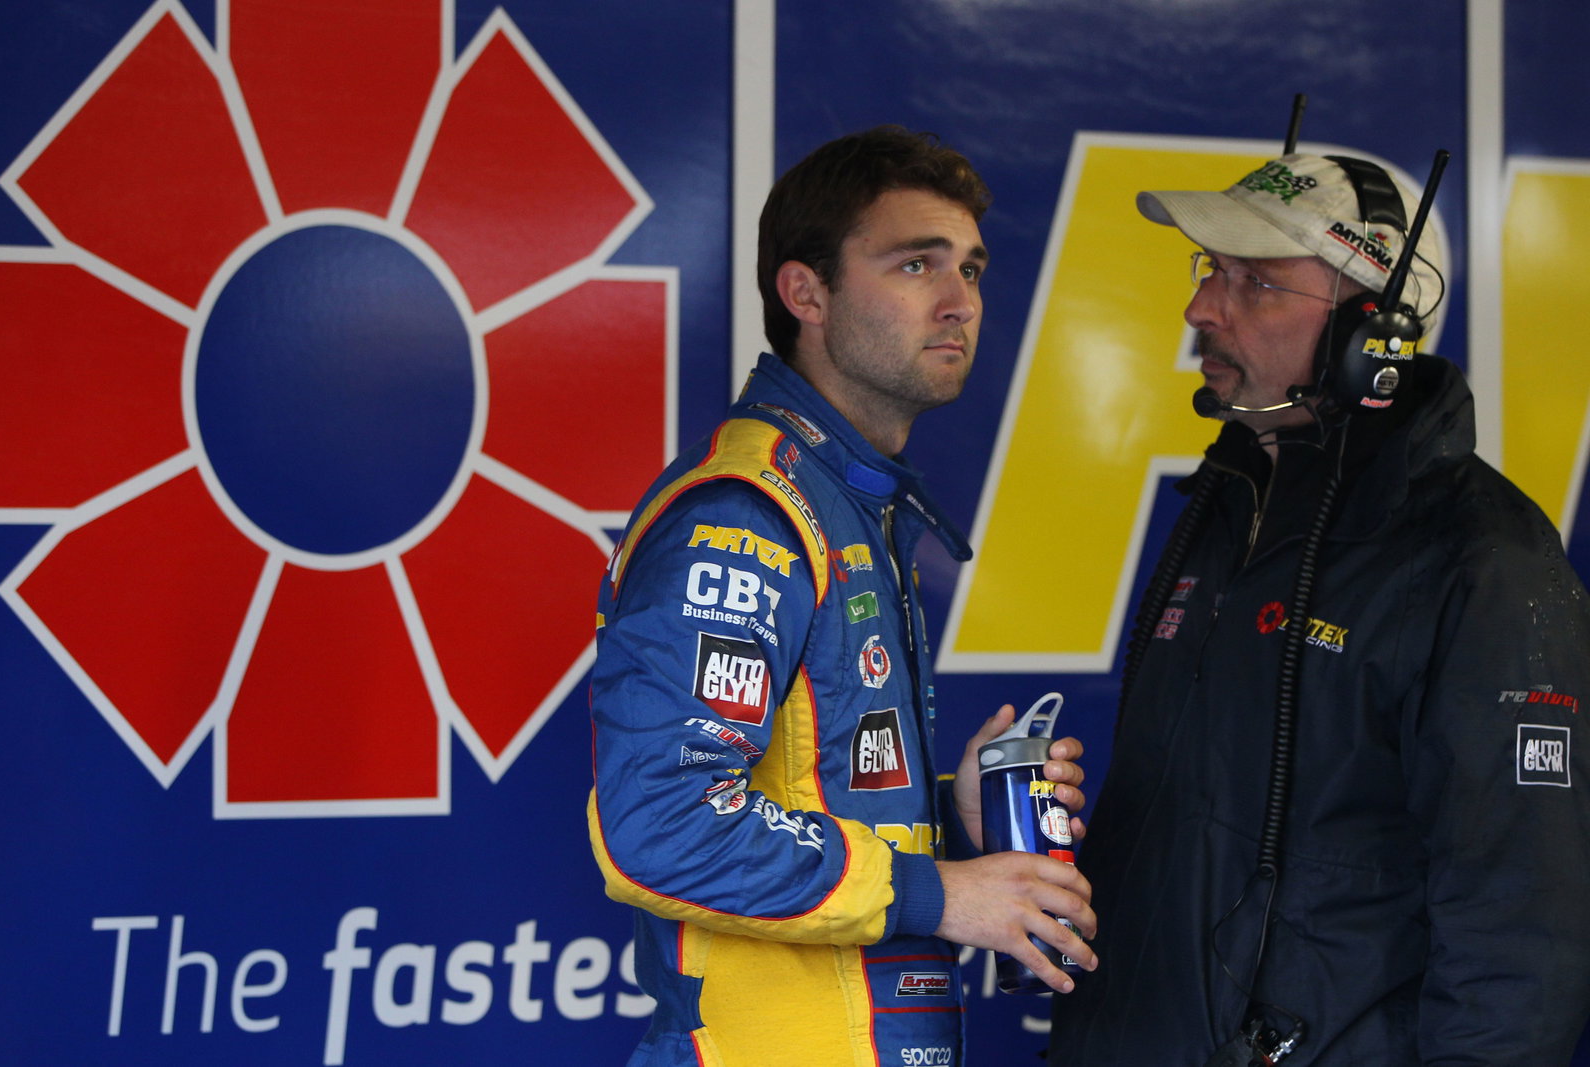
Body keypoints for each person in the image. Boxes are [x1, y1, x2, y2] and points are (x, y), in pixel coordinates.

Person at [1048, 150, 1590, 1063]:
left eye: (1256, 283)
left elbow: (1520, 937)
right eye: (1210, 271)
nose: (1202, 310)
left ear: (1372, 333)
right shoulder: (1228, 510)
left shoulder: (1482, 559)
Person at [588, 125, 1098, 1067]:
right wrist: (944, 894)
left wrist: (955, 820)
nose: (960, 303)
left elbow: (806, 789)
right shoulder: (752, 513)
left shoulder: (848, 501)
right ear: (806, 292)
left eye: (973, 271)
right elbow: (660, 819)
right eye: (915, 265)